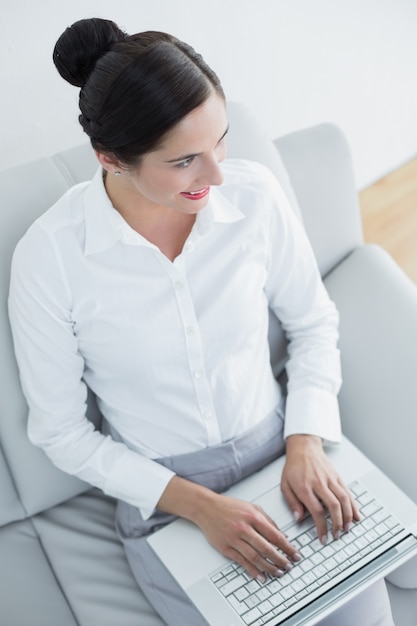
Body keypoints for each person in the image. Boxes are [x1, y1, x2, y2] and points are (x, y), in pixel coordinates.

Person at [8, 17, 394, 626]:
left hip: (286, 453)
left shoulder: (254, 194)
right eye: (185, 160)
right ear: (109, 158)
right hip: (167, 498)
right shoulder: (51, 259)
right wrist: (199, 507)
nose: (216, 177)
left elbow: (314, 322)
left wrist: (307, 440)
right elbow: (60, 433)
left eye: (221, 142)